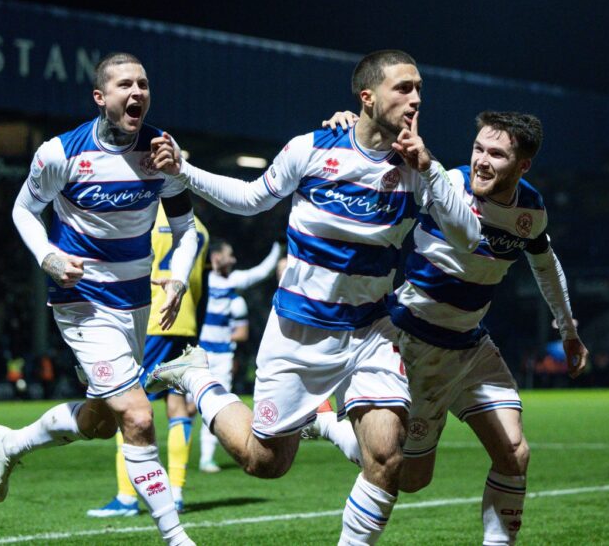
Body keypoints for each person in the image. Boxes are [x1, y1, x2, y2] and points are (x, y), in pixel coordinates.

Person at [145, 49, 481, 544]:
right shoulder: (312, 149)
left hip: (370, 332)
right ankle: (199, 382)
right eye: (403, 88)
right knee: (266, 463)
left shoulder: (419, 169)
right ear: (367, 98)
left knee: (389, 458)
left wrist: (429, 167)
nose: (416, 99)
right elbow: (249, 198)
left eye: (419, 89)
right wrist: (183, 173)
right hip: (298, 334)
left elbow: (470, 235)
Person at [308, 110, 589, 545]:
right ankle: (325, 420)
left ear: (522, 165)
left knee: (514, 453)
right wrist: (352, 127)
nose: (481, 159)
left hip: (471, 346)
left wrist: (567, 329)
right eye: (478, 148)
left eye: (496, 154)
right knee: (406, 475)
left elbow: (545, 264)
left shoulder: (530, 209)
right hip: (414, 342)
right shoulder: (445, 184)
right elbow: (372, 164)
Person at [0, 52, 199, 546]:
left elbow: (186, 231)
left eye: (144, 84)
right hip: (80, 301)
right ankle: (176, 536)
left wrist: (179, 277)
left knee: (102, 421)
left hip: (135, 303)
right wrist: (47, 257)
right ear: (101, 98)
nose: (138, 92)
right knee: (139, 416)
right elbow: (22, 209)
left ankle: (12, 442)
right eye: (126, 84)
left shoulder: (161, 152)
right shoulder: (60, 154)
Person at [87, 208, 209, 517]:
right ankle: (177, 493)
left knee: (126, 402)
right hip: (184, 318)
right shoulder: (199, 228)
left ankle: (127, 497)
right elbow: (196, 284)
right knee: (178, 407)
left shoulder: (143, 218)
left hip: (152, 318)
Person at [197, 239, 281, 473]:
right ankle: (183, 456)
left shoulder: (230, 283)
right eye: (229, 255)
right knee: (187, 406)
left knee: (214, 404)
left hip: (222, 355)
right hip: (199, 353)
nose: (233, 260)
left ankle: (206, 458)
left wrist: (277, 246)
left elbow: (261, 272)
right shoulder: (202, 280)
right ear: (216, 258)